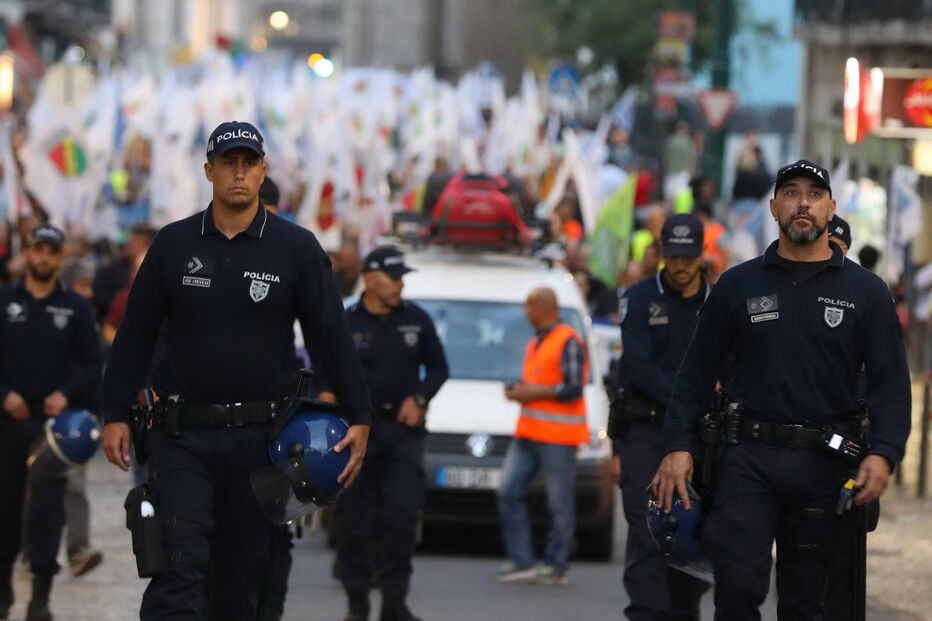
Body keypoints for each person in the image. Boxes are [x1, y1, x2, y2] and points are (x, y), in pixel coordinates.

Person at [100, 121, 372, 620]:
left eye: (249, 163)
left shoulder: (296, 248)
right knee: (178, 568)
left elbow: (331, 337)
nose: (239, 173)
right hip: (181, 438)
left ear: (263, 170)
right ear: (209, 171)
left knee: (241, 585)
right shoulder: (173, 244)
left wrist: (359, 414)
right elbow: (135, 335)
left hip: (262, 443)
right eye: (228, 163)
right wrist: (113, 412)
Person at [653, 159, 911, 619]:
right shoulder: (738, 284)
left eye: (814, 194)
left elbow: (891, 382)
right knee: (735, 591)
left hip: (825, 465)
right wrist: (677, 446)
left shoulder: (866, 292)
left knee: (806, 602)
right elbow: (694, 374)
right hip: (747, 459)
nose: (803, 204)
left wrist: (885, 452)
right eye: (791, 193)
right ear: (774, 207)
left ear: (831, 208)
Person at [331, 245, 448, 621]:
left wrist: (420, 397)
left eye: (402, 278)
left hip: (401, 433)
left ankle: (395, 603)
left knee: (400, 516)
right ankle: (357, 600)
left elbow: (438, 368)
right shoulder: (346, 321)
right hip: (354, 435)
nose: (400, 284)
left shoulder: (417, 320)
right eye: (393, 277)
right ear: (369, 278)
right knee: (354, 521)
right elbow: (322, 368)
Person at [0, 225, 102, 620]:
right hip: (7, 425)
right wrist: (4, 394)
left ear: (60, 258)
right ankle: (4, 587)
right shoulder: (5, 300)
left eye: (51, 252)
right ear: (26, 253)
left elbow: (92, 364)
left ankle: (40, 595)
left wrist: (67, 393)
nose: (43, 258)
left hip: (53, 432)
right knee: (5, 510)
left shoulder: (75, 307)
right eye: (37, 250)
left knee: (47, 511)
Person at [615, 213, 710, 620]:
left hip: (700, 435)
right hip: (646, 429)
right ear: (660, 253)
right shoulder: (638, 298)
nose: (681, 266)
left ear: (702, 254)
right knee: (648, 527)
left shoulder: (719, 302)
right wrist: (687, 401)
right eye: (673, 256)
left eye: (688, 257)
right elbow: (639, 366)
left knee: (693, 530)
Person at [497, 288, 588, 586]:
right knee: (508, 490)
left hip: (558, 437)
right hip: (529, 432)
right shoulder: (537, 340)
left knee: (559, 504)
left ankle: (555, 565)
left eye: (528, 307)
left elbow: (574, 387)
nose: (526, 314)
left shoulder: (568, 340)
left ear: (542, 307)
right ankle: (522, 560)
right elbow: (540, 381)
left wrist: (533, 392)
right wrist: (520, 390)